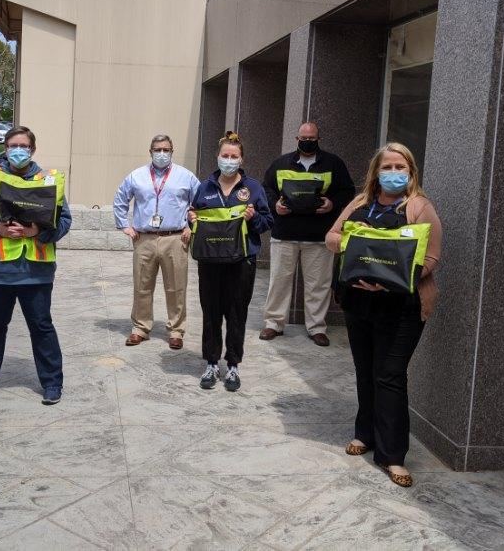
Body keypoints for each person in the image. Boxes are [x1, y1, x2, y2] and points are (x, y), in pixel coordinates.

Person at [325, 142, 442, 488]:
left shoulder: (420, 206)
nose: (394, 173)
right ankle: (366, 433)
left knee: (390, 375)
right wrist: (355, 246)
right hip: (359, 304)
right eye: (387, 167)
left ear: (411, 171)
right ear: (376, 171)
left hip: (401, 307)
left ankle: (393, 455)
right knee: (365, 370)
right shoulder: (361, 203)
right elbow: (332, 236)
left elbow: (432, 258)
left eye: (400, 167)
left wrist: (392, 277)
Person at [0, 125, 71, 406]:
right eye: (12, 145)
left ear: (32, 149)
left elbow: (65, 221)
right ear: (6, 148)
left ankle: (51, 383)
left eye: (23, 146)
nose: (17, 151)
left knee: (41, 326)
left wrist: (39, 233)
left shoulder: (49, 180)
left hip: (35, 272)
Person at [189, 132, 272, 392]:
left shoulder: (254, 189)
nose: (229, 160)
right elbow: (193, 215)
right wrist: (190, 220)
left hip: (242, 262)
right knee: (211, 312)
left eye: (233, 156)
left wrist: (253, 217)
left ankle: (233, 365)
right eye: (225, 156)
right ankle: (211, 363)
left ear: (241, 159)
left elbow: (268, 222)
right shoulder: (205, 187)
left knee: (237, 313)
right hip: (210, 261)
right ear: (218, 157)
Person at [260, 121, 354, 346]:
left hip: (319, 236)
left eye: (312, 138)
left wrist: (333, 204)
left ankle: (316, 327)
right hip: (284, 234)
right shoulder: (281, 163)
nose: (307, 142)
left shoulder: (333, 163)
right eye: (304, 138)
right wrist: (275, 206)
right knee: (279, 282)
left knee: (318, 284)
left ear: (318, 139)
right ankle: (273, 323)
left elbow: (348, 190)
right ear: (297, 139)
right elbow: (266, 188)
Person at [113, 134, 200, 349]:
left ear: (172, 151)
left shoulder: (186, 176)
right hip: (145, 238)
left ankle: (177, 330)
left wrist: (192, 227)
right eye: (158, 149)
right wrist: (125, 225)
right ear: (150, 151)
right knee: (142, 286)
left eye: (166, 150)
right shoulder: (136, 176)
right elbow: (120, 199)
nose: (162, 153)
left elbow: (200, 204)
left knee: (176, 287)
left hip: (175, 238)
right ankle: (140, 328)